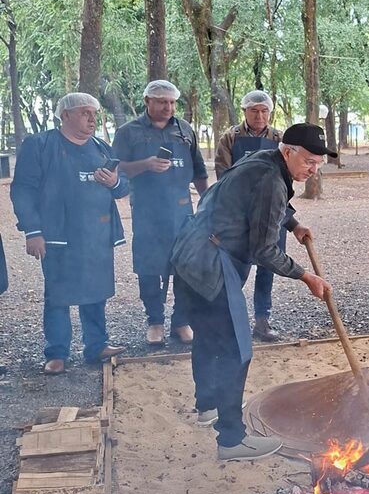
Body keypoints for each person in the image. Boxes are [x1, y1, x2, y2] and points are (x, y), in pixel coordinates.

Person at [171, 123, 332, 461]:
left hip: (189, 252)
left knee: (209, 336)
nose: (313, 170)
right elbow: (264, 251)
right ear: (287, 151)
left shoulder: (264, 158)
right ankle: (232, 440)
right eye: (308, 162)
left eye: (319, 163)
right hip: (211, 263)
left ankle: (209, 406)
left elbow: (257, 198)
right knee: (236, 350)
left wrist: (292, 223)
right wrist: (306, 277)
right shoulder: (273, 181)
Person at [11, 93, 128, 374]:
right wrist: (33, 230)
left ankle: (96, 345)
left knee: (96, 291)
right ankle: (57, 352)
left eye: (95, 113)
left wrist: (114, 182)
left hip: (97, 235)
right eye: (85, 112)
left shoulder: (101, 147)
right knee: (58, 294)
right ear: (64, 116)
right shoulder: (41, 145)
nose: (92, 119)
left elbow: (123, 190)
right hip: (57, 236)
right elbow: (23, 190)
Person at [113, 80, 208, 346]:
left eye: (172, 102)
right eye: (162, 102)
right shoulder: (128, 132)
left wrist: (207, 202)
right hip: (147, 211)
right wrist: (145, 165)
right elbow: (115, 169)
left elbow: (199, 171)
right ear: (147, 102)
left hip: (182, 212)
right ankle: (154, 321)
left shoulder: (184, 129)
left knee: (185, 267)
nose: (168, 107)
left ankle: (181, 321)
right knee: (149, 267)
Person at [215, 90, 291, 342]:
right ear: (245, 112)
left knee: (268, 265)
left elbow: (287, 177)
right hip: (238, 216)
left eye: (264, 111)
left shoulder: (280, 138)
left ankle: (262, 320)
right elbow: (223, 176)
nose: (259, 116)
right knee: (237, 267)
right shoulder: (230, 138)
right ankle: (230, 320)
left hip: (270, 212)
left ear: (270, 112)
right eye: (254, 111)